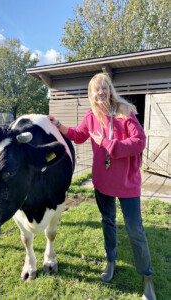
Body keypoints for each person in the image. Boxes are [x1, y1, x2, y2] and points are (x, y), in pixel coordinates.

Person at [48, 73, 156, 300]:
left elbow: (139, 142)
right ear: (91, 93)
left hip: (127, 182)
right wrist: (59, 125)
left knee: (135, 230)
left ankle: (147, 277)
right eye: (96, 89)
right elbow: (78, 136)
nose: (101, 92)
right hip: (103, 182)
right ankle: (111, 261)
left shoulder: (125, 111)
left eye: (104, 87)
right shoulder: (91, 115)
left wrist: (108, 143)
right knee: (108, 222)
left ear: (110, 89)